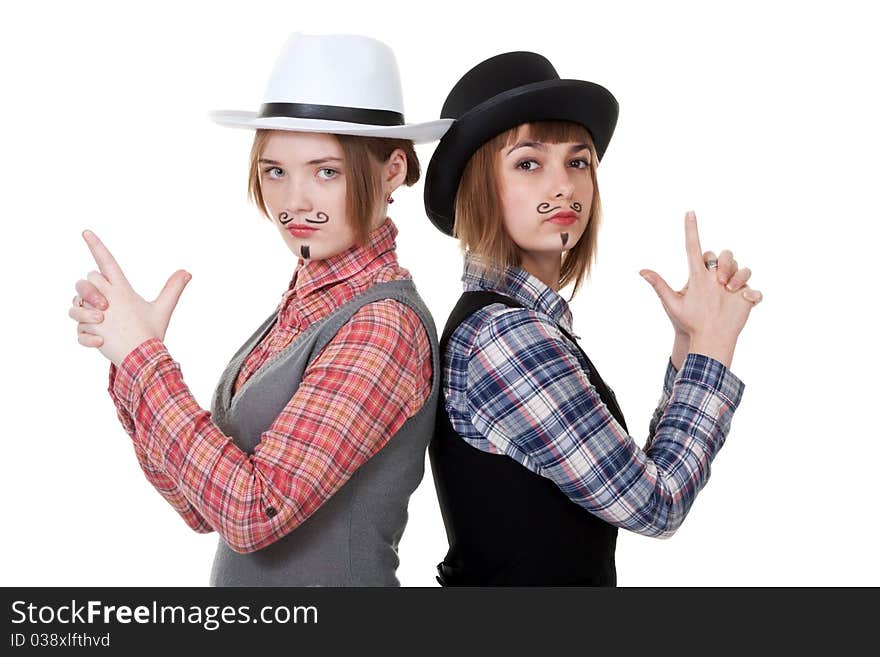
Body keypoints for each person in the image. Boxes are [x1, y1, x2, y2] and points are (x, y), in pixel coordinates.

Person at [67, 33, 452, 586]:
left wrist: (144, 361)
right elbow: (202, 507)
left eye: (326, 171)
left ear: (393, 170)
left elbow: (253, 514)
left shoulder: (381, 325)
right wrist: (127, 361)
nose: (293, 201)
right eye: (275, 171)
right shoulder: (303, 308)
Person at [423, 51, 763, 586]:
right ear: (478, 187)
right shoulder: (506, 336)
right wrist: (713, 347)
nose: (564, 187)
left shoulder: (520, 325)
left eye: (577, 162)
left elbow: (632, 477)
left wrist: (690, 342)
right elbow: (656, 504)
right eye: (528, 163)